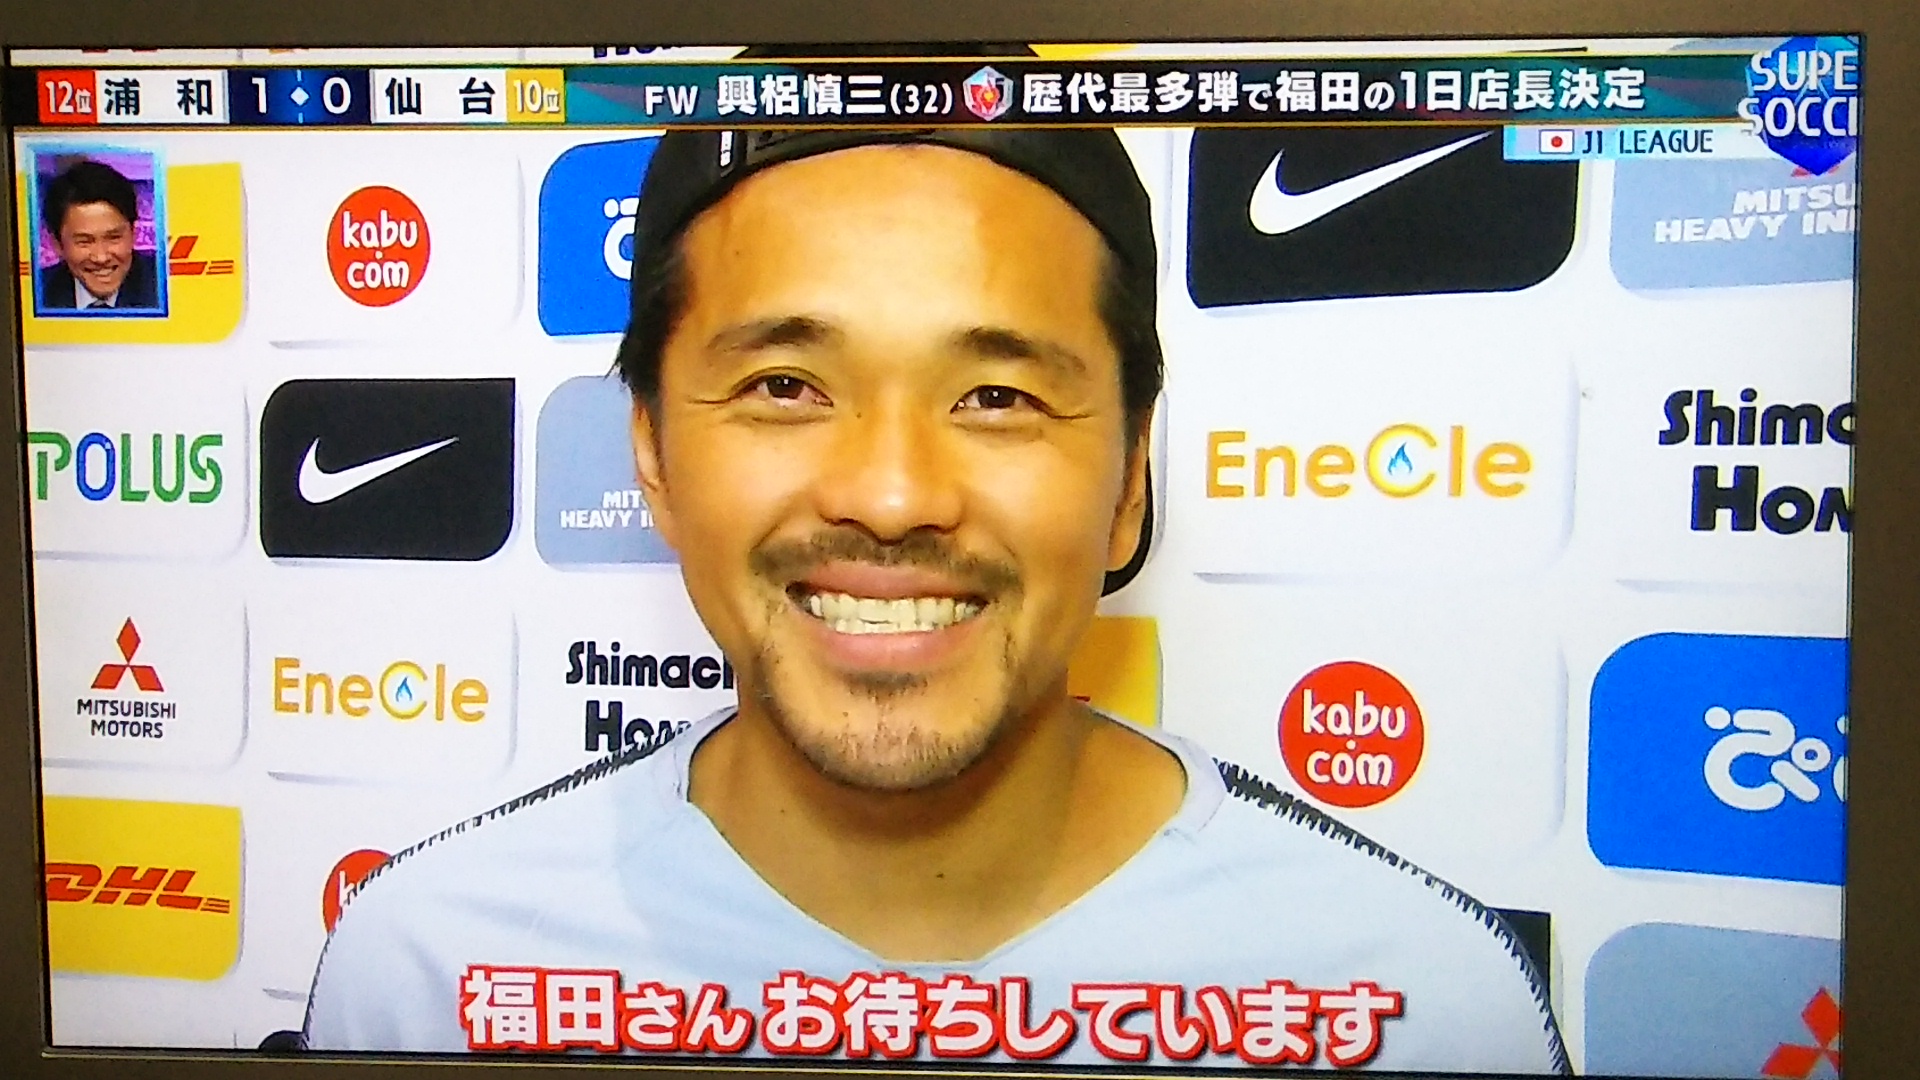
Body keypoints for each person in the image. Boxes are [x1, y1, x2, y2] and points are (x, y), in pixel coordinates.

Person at [302, 118, 1569, 1074]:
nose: (893, 495)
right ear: (653, 460)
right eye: (786, 388)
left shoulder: (1419, 1000)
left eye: (998, 397)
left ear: (1130, 480)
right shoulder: (430, 969)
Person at [36, 159, 160, 312]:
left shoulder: (168, 284)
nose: (101, 258)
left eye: (114, 238)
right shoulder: (36, 293)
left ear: (134, 233)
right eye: (84, 241)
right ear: (56, 244)